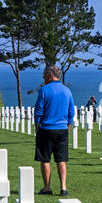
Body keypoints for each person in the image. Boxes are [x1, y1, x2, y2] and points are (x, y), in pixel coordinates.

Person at [34, 65, 75, 196]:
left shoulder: (44, 90)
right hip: (62, 130)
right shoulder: (67, 91)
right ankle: (63, 188)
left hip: (46, 129)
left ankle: (47, 187)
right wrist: (68, 127)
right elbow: (71, 112)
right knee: (61, 159)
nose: (43, 77)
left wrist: (37, 128)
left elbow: (38, 111)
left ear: (50, 75)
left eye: (44, 74)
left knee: (45, 159)